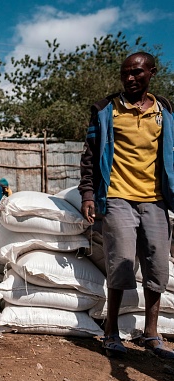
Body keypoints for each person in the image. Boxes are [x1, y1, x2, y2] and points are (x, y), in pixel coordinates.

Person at [79, 52, 174, 359]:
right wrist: (89, 195)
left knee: (157, 267)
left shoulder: (165, 111)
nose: (131, 78)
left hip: (156, 200)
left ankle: (151, 333)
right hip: (118, 196)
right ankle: (111, 332)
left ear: (151, 73)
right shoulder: (106, 110)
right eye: (125, 74)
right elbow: (90, 156)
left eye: (137, 73)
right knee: (120, 263)